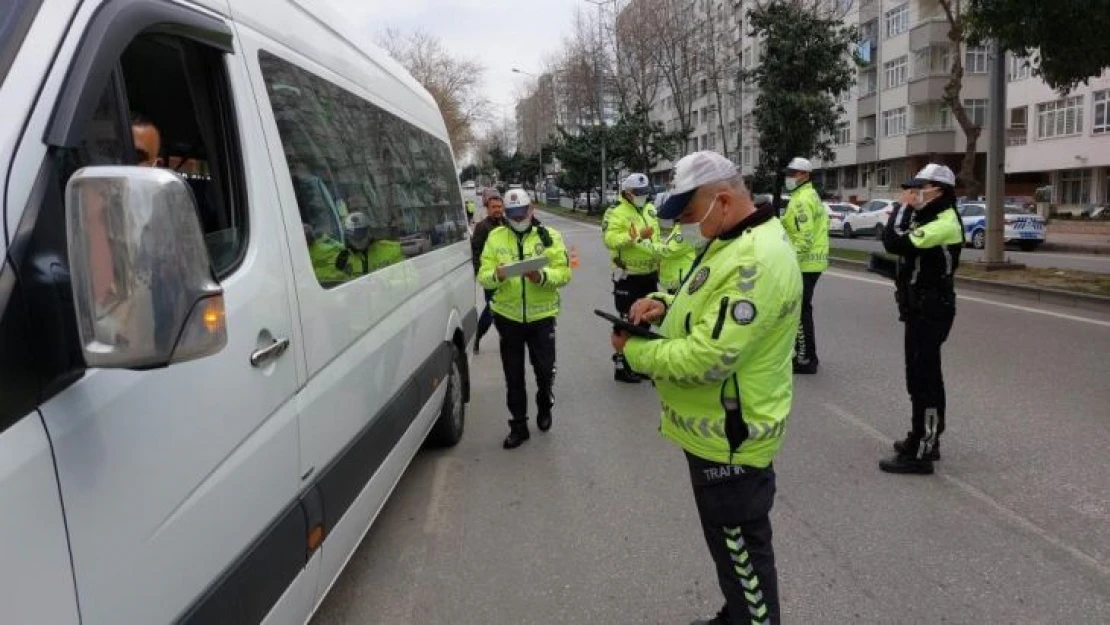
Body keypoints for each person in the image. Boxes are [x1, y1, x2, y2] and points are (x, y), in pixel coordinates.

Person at [612, 151, 801, 625]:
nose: (691, 225)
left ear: (721, 199)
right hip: (715, 433)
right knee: (731, 552)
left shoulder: (754, 258)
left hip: (732, 440)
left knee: (743, 553)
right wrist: (661, 302)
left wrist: (633, 352)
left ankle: (750, 616)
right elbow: (703, 300)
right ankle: (736, 610)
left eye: (692, 214)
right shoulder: (732, 240)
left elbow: (710, 357)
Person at [876, 164, 964, 475]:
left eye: (919, 187)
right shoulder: (930, 216)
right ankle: (921, 435)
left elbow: (895, 241)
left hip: (932, 308)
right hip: (919, 306)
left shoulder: (943, 222)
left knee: (925, 379)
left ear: (938, 189)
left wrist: (901, 208)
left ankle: (924, 451)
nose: (913, 193)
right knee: (917, 375)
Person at [478, 189, 572, 449]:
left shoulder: (550, 237)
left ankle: (545, 402)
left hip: (542, 316)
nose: (518, 219)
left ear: (532, 210)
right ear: (506, 215)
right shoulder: (495, 238)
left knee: (544, 370)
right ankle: (518, 425)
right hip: (508, 317)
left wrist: (540, 277)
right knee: (513, 375)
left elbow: (564, 274)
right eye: (512, 215)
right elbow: (483, 275)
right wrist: (496, 275)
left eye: (522, 213)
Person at [603, 172, 660, 383]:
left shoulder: (650, 209)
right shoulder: (615, 211)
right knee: (627, 320)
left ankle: (639, 362)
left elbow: (657, 237)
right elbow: (610, 239)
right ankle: (622, 365)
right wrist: (634, 236)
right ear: (627, 193)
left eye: (645, 193)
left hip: (649, 273)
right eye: (638, 193)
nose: (642, 196)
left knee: (645, 320)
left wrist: (659, 260)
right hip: (628, 275)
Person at [780, 157, 828, 374]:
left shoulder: (801, 199)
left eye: (793, 173)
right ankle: (807, 356)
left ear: (805, 175)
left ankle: (806, 359)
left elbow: (804, 237)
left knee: (799, 312)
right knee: (803, 310)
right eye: (788, 172)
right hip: (812, 262)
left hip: (805, 263)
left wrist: (791, 263)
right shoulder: (807, 195)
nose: (789, 176)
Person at [471, 189, 505, 353]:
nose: (497, 209)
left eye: (500, 206)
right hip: (491, 275)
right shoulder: (482, 227)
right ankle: (477, 336)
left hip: (508, 274)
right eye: (494, 207)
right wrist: (479, 273)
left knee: (507, 307)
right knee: (492, 308)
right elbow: (476, 252)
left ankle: (508, 337)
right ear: (487, 208)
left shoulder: (507, 224)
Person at [652, 192, 698, 295]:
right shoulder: (680, 226)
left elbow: (670, 250)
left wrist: (642, 243)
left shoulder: (688, 229)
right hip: (676, 282)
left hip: (682, 282)